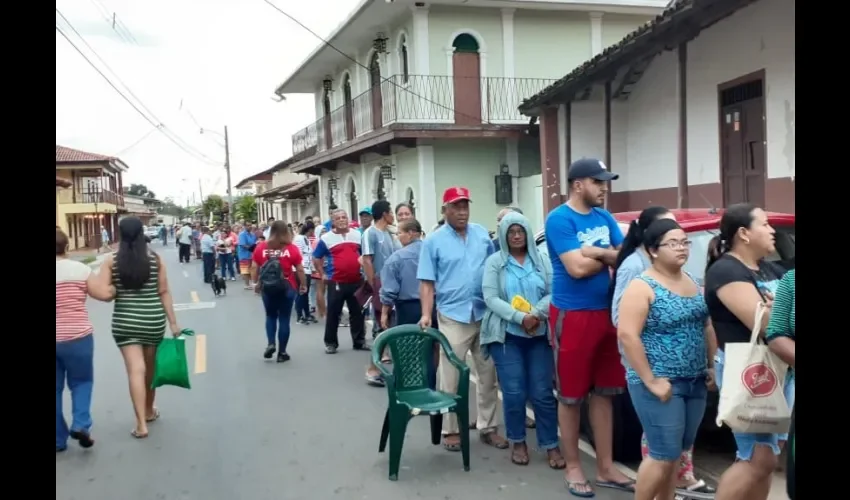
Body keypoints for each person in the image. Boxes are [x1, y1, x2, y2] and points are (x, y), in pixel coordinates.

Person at [544, 158, 634, 496]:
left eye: (605, 181)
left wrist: (591, 252)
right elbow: (576, 270)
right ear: (577, 184)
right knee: (570, 396)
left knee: (605, 393)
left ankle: (606, 467)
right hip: (573, 315)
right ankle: (573, 467)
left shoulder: (605, 217)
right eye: (598, 182)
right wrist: (607, 254)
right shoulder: (559, 220)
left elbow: (623, 257)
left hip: (607, 313)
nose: (604, 187)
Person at [617, 219, 714, 500]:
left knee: (677, 451)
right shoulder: (642, 286)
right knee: (662, 452)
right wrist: (651, 379)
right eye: (673, 243)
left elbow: (706, 326)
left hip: (694, 380)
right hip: (659, 382)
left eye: (685, 242)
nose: (682, 248)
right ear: (653, 250)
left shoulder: (694, 282)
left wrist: (710, 365)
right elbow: (627, 336)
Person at [705, 203, 790, 500]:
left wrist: (778, 310)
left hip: (780, 369)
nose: (772, 230)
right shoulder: (726, 271)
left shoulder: (768, 268)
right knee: (756, 457)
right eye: (765, 224)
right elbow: (767, 325)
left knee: (766, 458)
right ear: (743, 233)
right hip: (753, 371)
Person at [418, 186, 507, 452]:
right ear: (445, 210)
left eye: (465, 206)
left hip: (484, 313)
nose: (462, 212)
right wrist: (425, 314)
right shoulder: (433, 242)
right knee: (451, 374)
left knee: (488, 374)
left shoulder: (481, 235)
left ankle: (488, 427)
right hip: (453, 316)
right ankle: (451, 429)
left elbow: (494, 268)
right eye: (456, 207)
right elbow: (426, 282)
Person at [481, 211, 564, 468]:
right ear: (505, 236)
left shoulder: (542, 260)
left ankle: (550, 444)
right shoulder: (496, 262)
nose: (517, 236)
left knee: (542, 394)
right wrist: (520, 317)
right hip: (506, 336)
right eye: (511, 232)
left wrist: (536, 314)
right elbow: (491, 298)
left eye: (520, 231)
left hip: (538, 334)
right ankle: (517, 441)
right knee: (514, 393)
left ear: (528, 233)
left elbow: (554, 291)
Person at [98, 217, 181, 439]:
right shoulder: (155, 259)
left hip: (125, 321)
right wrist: (173, 323)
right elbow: (164, 291)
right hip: (152, 320)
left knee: (136, 370)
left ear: (121, 234)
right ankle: (149, 410)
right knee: (150, 369)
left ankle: (141, 424)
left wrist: (116, 290)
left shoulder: (110, 261)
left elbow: (104, 294)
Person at [56, 228, 115, 452]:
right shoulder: (79, 270)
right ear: (67, 248)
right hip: (77, 338)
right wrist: (116, 287)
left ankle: (58, 440)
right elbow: (104, 294)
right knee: (82, 382)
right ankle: (80, 424)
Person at [312, 209, 367, 354]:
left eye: (344, 217)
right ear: (333, 222)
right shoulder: (326, 238)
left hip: (356, 280)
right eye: (338, 218)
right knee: (333, 313)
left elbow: (364, 255)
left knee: (358, 312)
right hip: (336, 281)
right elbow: (316, 257)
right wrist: (322, 273)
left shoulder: (357, 235)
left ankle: (359, 342)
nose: (342, 220)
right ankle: (331, 343)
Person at [251, 221, 306, 362]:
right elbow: (299, 268)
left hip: (267, 287)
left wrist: (256, 282)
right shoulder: (291, 248)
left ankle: (271, 343)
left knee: (270, 316)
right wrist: (303, 284)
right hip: (287, 286)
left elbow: (254, 266)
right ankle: (282, 353)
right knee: (284, 318)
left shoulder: (261, 247)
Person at [362, 200, 401, 386]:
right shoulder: (371, 233)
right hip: (380, 285)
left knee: (390, 327)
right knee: (380, 327)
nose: (393, 216)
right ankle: (372, 370)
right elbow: (367, 260)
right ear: (385, 214)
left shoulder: (389, 234)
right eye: (391, 212)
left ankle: (382, 368)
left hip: (393, 286)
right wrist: (374, 285)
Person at [293, 222, 317, 324]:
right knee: (301, 292)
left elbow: (309, 255)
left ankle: (307, 314)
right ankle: (299, 316)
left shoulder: (306, 239)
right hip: (301, 269)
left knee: (305, 293)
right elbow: (297, 254)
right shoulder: (299, 239)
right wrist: (301, 268)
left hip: (307, 269)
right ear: (310, 230)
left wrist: (312, 267)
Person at [238, 223, 258, 290]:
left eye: (250, 225)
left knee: (252, 269)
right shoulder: (242, 234)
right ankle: (246, 284)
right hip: (244, 254)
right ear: (244, 226)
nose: (249, 227)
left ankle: (252, 283)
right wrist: (251, 248)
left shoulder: (253, 234)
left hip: (252, 255)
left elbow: (255, 243)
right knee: (245, 270)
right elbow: (243, 245)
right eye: (248, 225)